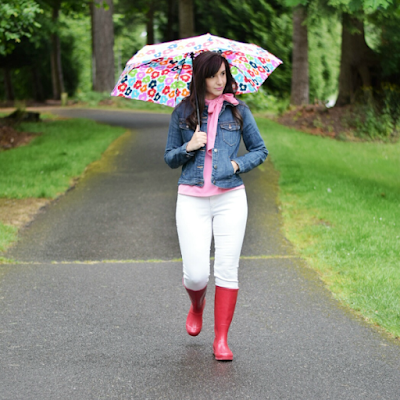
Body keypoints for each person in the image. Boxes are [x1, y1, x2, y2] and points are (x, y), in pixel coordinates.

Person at [164, 51, 268, 361]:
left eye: (224, 74)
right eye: (212, 76)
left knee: (227, 269)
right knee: (196, 275)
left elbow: (260, 150)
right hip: (192, 199)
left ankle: (221, 340)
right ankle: (197, 305)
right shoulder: (182, 113)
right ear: (199, 78)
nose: (220, 81)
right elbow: (170, 157)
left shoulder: (238, 111)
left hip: (230, 198)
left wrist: (236, 164)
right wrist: (189, 146)